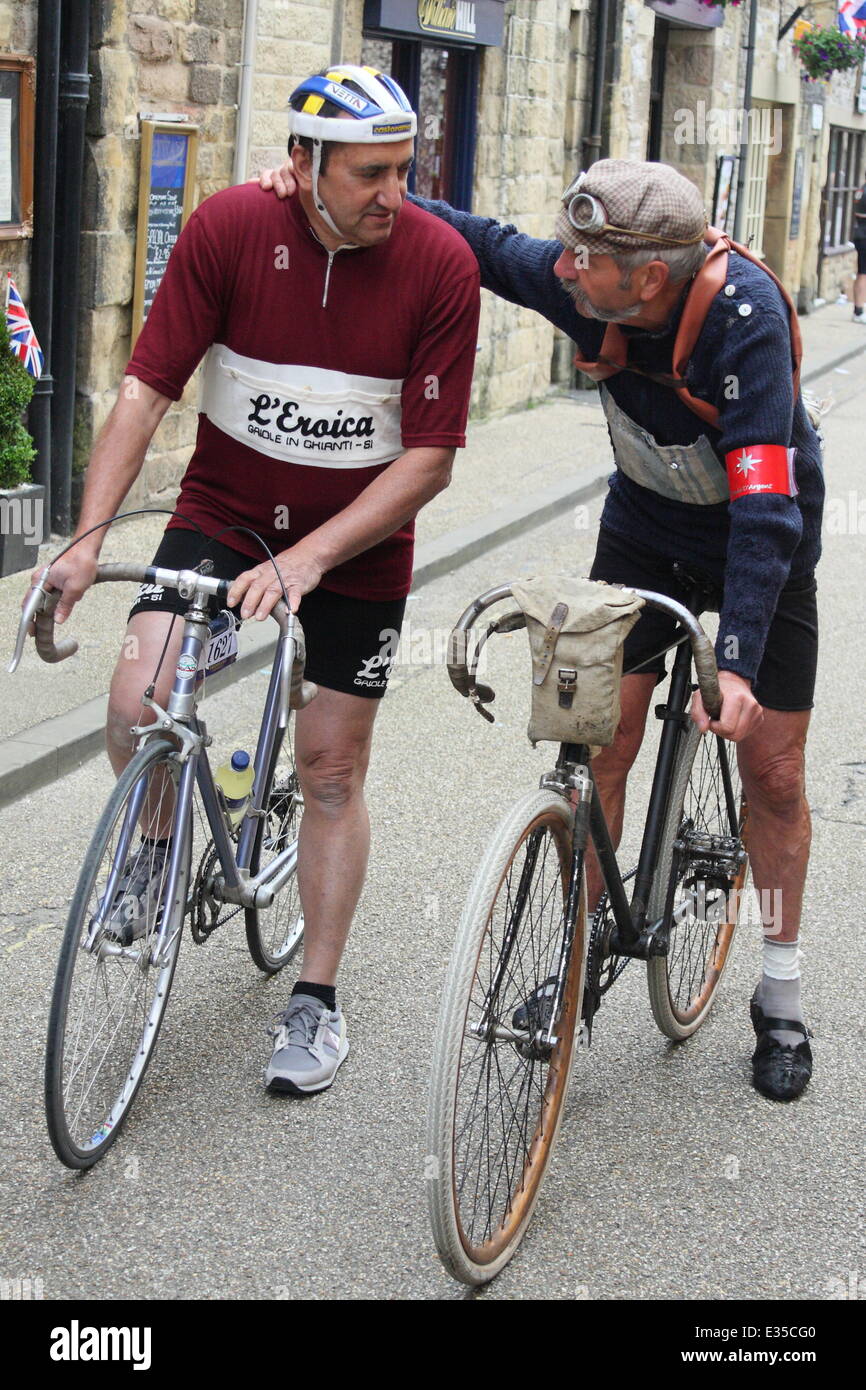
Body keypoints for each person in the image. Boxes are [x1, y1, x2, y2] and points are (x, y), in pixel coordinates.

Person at [259, 154, 825, 1102]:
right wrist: (336, 191)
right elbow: (475, 241)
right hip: (644, 537)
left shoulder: (744, 324)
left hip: (758, 547)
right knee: (599, 745)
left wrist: (735, 665)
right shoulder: (584, 287)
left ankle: (781, 987)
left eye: (583, 258)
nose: (561, 267)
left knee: (772, 774)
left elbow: (768, 513)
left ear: (648, 276)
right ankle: (574, 954)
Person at [34, 66, 480, 1097]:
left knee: (328, 768)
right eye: (368, 173)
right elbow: (146, 391)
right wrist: (87, 536)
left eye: (402, 170)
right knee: (139, 695)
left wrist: (311, 559)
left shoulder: (437, 263)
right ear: (302, 165)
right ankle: (153, 845)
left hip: (356, 545)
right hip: (224, 518)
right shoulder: (232, 228)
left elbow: (431, 457)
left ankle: (314, 1000)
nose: (391, 193)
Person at [852, 176, 866, 323]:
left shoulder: (861, 189)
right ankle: (859, 310)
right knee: (863, 273)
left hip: (860, 233)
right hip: (864, 236)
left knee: (862, 272)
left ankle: (859, 307)